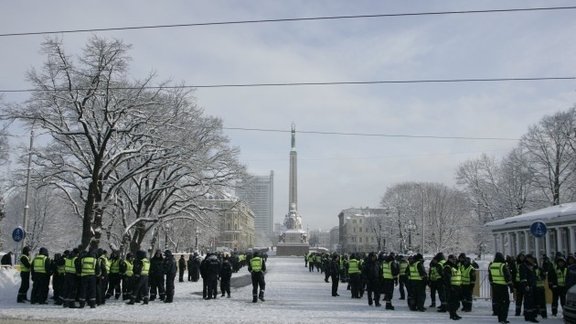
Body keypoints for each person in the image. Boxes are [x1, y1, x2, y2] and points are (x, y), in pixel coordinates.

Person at [489, 252, 513, 324]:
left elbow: (490, 277)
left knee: (499, 303)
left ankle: (500, 318)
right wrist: (511, 286)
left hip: (495, 287)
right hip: (503, 286)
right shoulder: (503, 265)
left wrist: (493, 285)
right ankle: (503, 318)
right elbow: (507, 277)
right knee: (505, 303)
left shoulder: (492, 265)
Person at [443, 254, 462, 321]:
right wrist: (450, 287)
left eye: (455, 259)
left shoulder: (455, 266)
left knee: (456, 302)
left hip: (457, 286)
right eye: (453, 259)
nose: (454, 260)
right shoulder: (448, 267)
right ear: (449, 259)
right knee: (452, 301)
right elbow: (447, 278)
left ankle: (454, 313)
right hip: (451, 286)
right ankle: (452, 314)